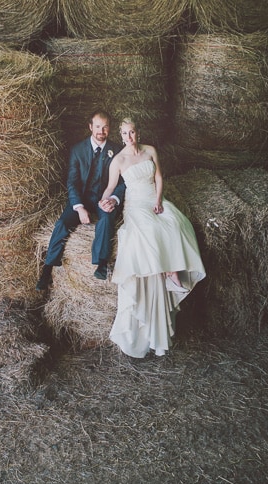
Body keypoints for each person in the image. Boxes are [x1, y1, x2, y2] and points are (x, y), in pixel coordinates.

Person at [99, 118, 205, 358]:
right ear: (121, 135)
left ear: (138, 132)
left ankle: (173, 268)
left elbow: (158, 178)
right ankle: (169, 271)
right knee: (149, 229)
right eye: (124, 134)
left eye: (132, 132)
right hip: (136, 205)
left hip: (153, 198)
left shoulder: (150, 151)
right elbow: (110, 187)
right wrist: (103, 200)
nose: (129, 137)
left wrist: (158, 201)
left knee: (176, 222)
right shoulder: (118, 160)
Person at [36, 110, 125, 291]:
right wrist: (79, 207)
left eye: (105, 127)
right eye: (98, 126)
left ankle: (101, 263)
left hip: (104, 198)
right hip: (82, 199)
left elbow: (124, 182)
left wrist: (114, 199)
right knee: (62, 223)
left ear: (110, 128)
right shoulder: (77, 150)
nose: (101, 131)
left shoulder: (117, 151)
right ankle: (47, 269)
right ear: (90, 127)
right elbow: (72, 182)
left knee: (106, 219)